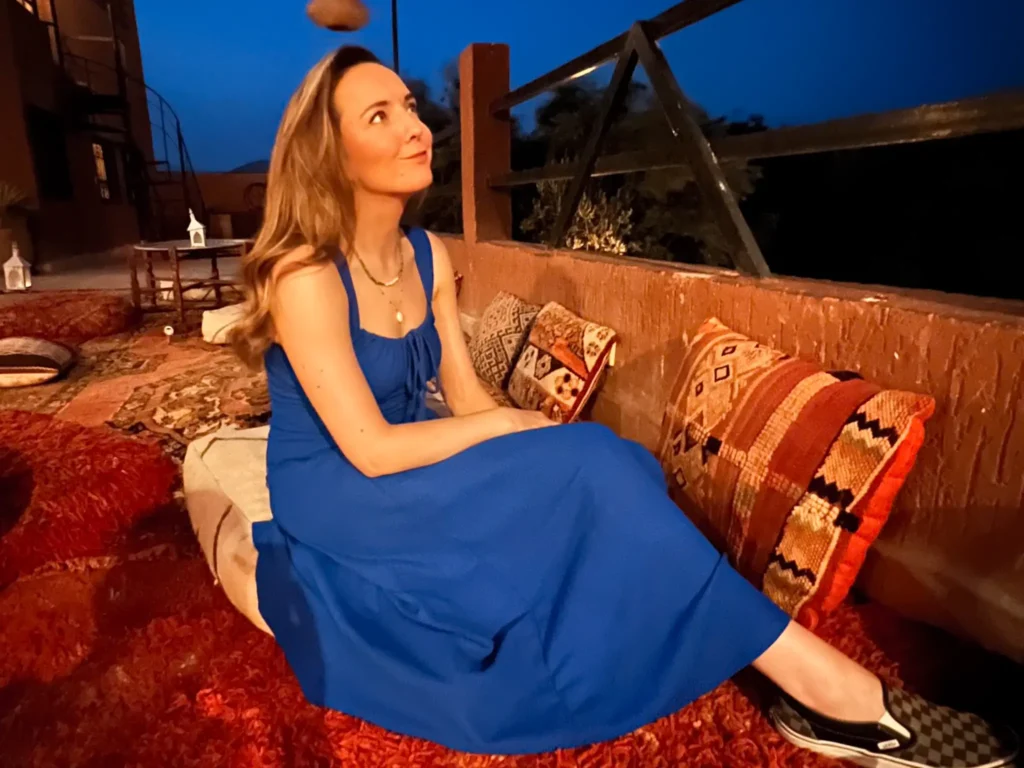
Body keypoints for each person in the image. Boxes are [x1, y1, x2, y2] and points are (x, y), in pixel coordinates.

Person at [229, 45, 1018, 768]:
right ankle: (840, 699)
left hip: (409, 455)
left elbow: (466, 394)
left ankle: (781, 670)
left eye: (407, 105)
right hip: (338, 487)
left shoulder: (426, 254)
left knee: (606, 466)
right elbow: (367, 449)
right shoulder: (305, 276)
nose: (414, 127)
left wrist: (528, 445)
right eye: (380, 116)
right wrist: (517, 433)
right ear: (331, 155)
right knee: (587, 465)